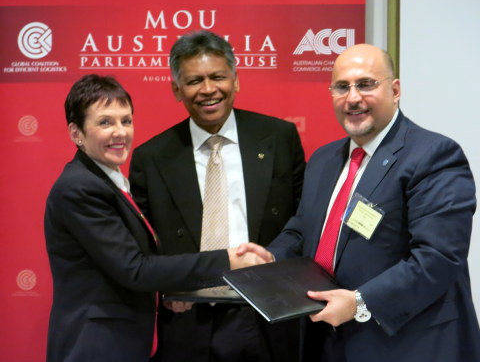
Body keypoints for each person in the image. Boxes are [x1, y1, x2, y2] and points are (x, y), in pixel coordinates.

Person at [240, 43, 480, 362]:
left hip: (406, 343)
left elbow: (437, 258)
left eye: (366, 84)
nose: (353, 98)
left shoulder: (434, 155)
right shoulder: (324, 159)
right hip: (326, 339)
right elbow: (302, 231)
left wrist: (360, 302)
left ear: (395, 90)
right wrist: (272, 256)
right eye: (342, 87)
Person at [44, 74, 269, 362]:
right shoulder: (81, 187)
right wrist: (228, 261)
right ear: (76, 133)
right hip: (96, 346)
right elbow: (134, 269)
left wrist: (172, 289)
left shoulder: (105, 179)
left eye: (126, 121)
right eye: (105, 122)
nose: (120, 132)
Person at [129, 30, 305, 362]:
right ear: (176, 89)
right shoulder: (150, 157)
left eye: (218, 77)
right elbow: (142, 246)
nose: (208, 89)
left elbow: (303, 221)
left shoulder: (280, 138)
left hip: (266, 312)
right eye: (194, 80)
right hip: (186, 316)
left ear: (235, 80)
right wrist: (166, 287)